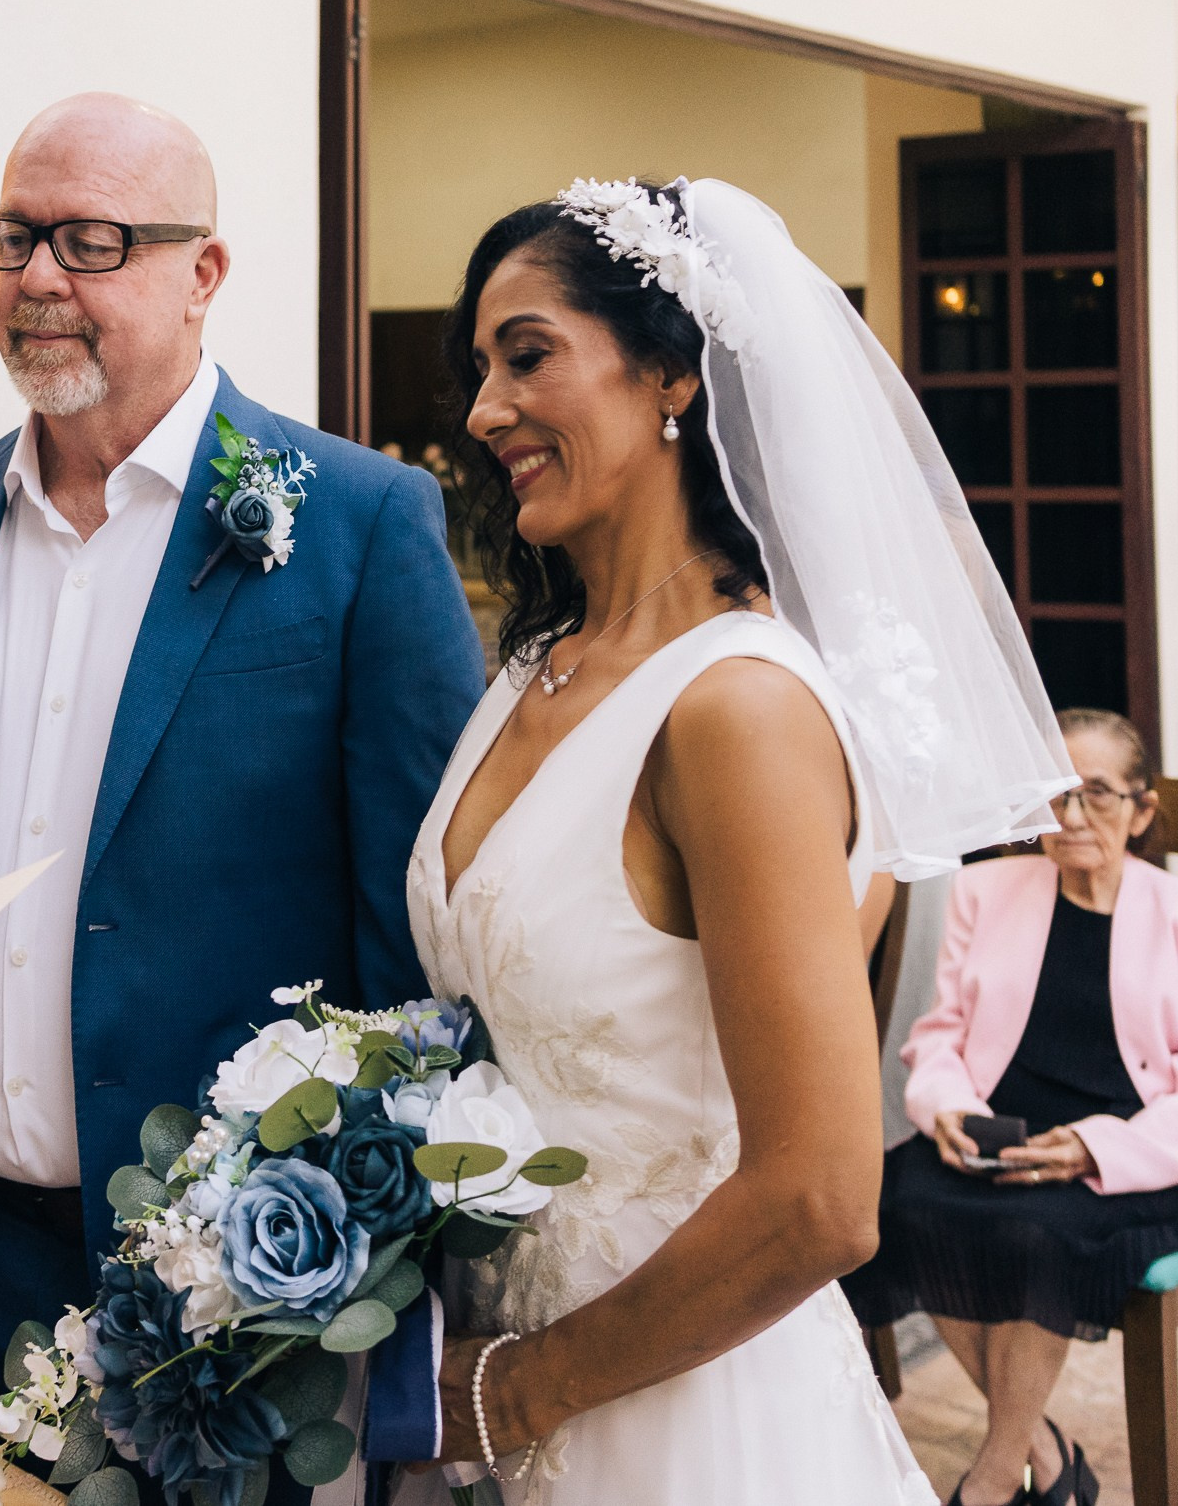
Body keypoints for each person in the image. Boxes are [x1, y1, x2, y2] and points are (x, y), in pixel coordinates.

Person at [0, 90, 488, 1472]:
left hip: (236, 1298)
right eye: (14, 237)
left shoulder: (354, 526)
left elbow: (419, 957)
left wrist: (361, 1286)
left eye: (90, 240)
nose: (38, 277)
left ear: (203, 272)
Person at [398, 179, 1070, 1505]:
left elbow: (821, 1196)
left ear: (669, 372)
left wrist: (512, 1386)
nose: (483, 412)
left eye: (526, 354)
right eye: (479, 369)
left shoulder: (740, 707)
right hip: (485, 1367)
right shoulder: (531, 668)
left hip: (679, 1404)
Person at [847, 708, 1178, 1506]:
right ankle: (1043, 1448)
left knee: (1038, 1235)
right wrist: (947, 1107)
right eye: (1055, 797)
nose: (1071, 818)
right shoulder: (983, 889)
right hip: (999, 1133)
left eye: (1098, 796)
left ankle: (998, 1476)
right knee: (888, 1205)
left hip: (1130, 1154)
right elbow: (939, 1038)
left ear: (1142, 811)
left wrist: (1092, 1147)